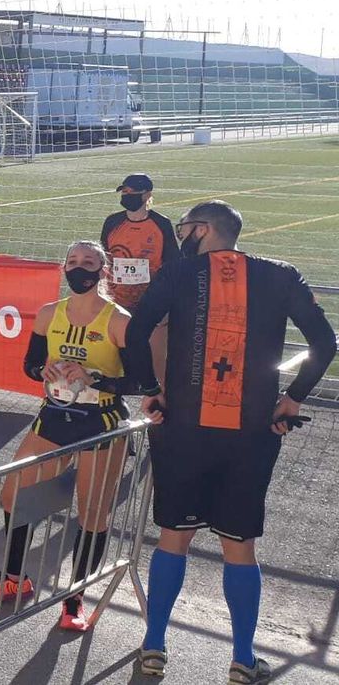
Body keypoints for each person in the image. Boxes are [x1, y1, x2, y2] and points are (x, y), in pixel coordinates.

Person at [125, 201, 335, 683]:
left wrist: (151, 389)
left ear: (201, 230)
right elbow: (325, 342)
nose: (181, 236)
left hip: (182, 429)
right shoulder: (282, 275)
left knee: (174, 538)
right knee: (240, 545)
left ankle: (154, 647)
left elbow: (137, 331)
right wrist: (294, 399)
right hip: (250, 433)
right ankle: (242, 658)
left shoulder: (178, 274)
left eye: (183, 229)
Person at [0, 241, 135, 632]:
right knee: (14, 494)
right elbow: (30, 364)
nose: (80, 268)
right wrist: (43, 370)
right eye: (73, 262)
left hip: (102, 422)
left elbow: (143, 380)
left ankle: (74, 599)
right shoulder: (49, 313)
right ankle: (14, 577)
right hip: (56, 416)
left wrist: (96, 377)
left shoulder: (118, 319)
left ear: (103, 271)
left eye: (89, 262)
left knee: (92, 511)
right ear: (64, 268)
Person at [101, 173, 178, 384]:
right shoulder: (112, 222)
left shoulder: (161, 224)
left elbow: (172, 264)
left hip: (150, 302)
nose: (127, 196)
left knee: (154, 362)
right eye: (124, 191)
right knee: (115, 359)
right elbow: (104, 258)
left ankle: (159, 402)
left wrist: (166, 304)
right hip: (116, 301)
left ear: (147, 195)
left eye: (132, 192)